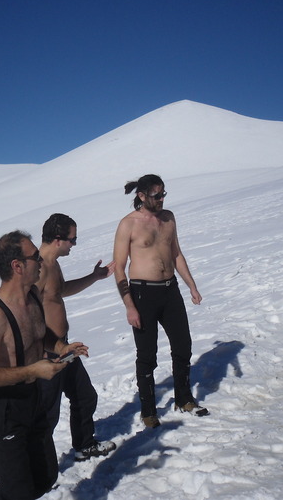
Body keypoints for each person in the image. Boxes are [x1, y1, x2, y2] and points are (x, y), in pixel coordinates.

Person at [0, 230, 88, 500]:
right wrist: (33, 370)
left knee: (45, 477)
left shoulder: (33, 295)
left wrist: (60, 347)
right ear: (17, 266)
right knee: (19, 492)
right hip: (3, 410)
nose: (42, 261)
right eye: (36, 257)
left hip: (32, 401)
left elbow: (38, 332)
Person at [113, 174, 209, 428]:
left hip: (170, 290)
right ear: (142, 196)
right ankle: (148, 411)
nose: (162, 199)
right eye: (157, 195)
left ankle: (184, 399)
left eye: (164, 193)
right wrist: (129, 305)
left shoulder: (168, 218)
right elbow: (120, 268)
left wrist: (191, 285)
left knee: (183, 346)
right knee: (147, 355)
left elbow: (176, 253)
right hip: (142, 294)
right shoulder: (128, 224)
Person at [37, 213, 117, 461]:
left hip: (64, 347)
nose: (74, 244)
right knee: (46, 414)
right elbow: (27, 316)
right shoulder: (36, 269)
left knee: (84, 396)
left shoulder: (53, 264)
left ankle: (84, 445)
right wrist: (46, 350)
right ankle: (38, 468)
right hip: (47, 353)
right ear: (58, 239)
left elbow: (59, 292)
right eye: (72, 240)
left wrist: (94, 277)